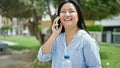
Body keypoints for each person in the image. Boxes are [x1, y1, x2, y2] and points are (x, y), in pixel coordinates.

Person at [37, 0, 102, 68]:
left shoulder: (86, 40)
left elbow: (95, 66)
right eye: (63, 12)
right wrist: (54, 34)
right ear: (59, 17)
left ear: (78, 16)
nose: (67, 14)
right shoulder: (57, 38)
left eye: (71, 11)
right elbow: (42, 57)